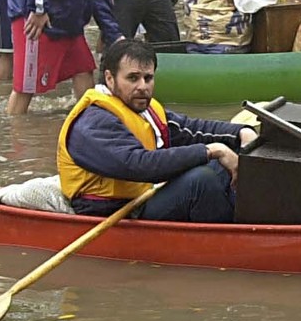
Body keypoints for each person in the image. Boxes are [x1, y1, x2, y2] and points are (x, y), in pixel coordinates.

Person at [59, 39, 256, 222]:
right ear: (110, 79)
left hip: (143, 195)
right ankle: (233, 240)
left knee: (227, 163)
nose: (142, 87)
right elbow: (138, 165)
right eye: (133, 78)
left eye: (148, 78)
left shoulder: (144, 108)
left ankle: (251, 221)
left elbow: (192, 129)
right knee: (201, 181)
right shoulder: (93, 121)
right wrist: (211, 150)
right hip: (115, 210)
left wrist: (241, 133)